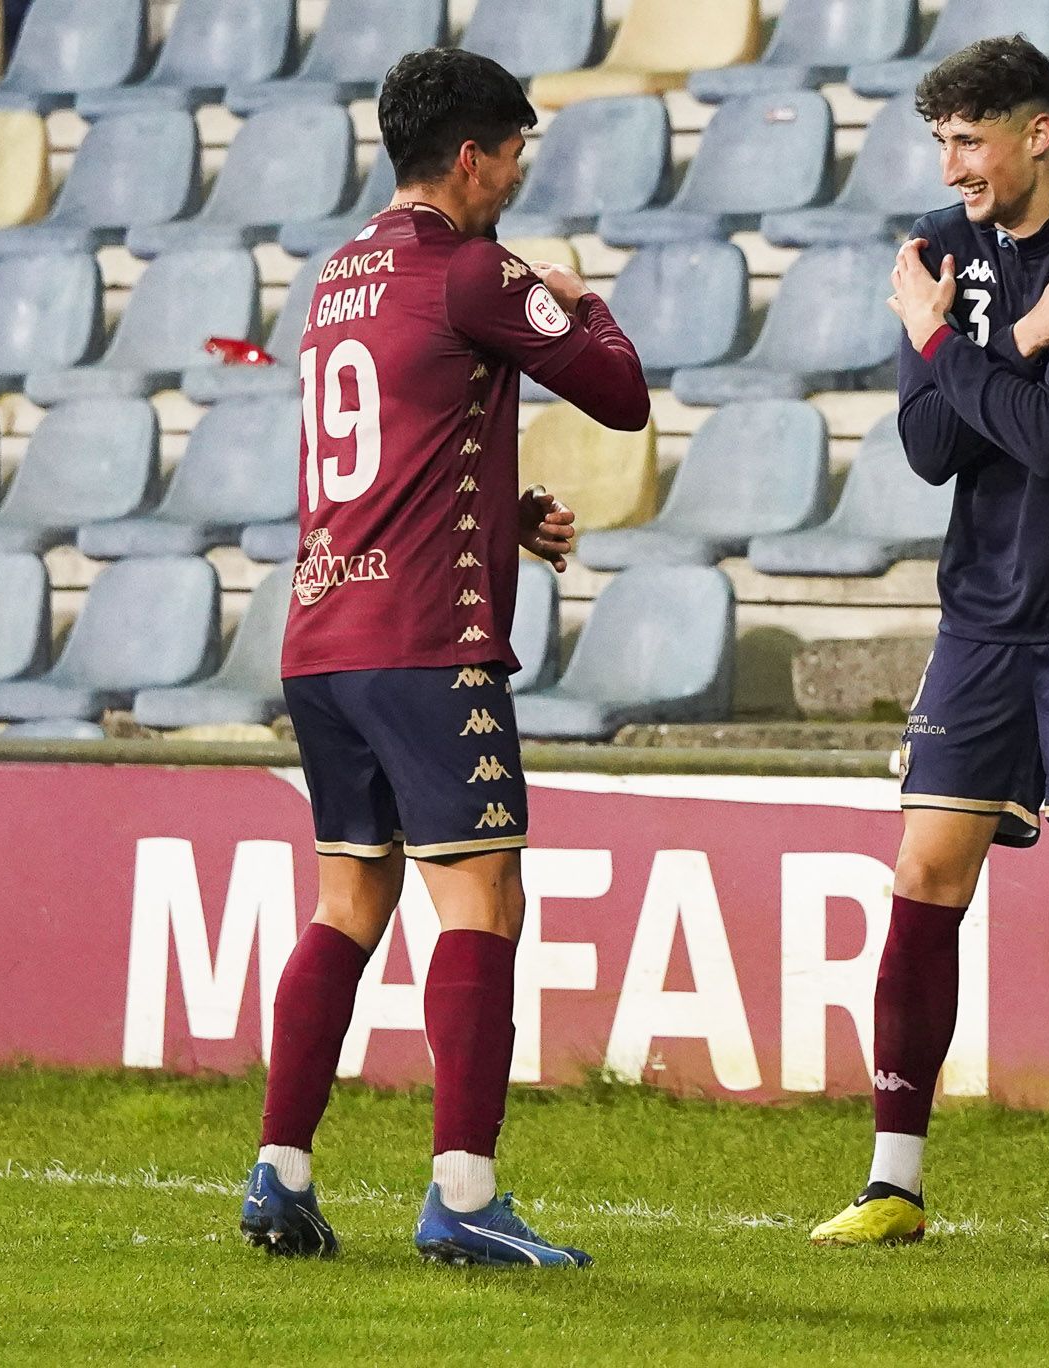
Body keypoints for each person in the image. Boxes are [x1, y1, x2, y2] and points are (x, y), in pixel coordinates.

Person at [239, 47, 648, 1268]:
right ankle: (463, 1194)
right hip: (426, 640)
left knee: (348, 898)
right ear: (469, 156)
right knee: (482, 897)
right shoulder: (476, 272)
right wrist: (582, 302)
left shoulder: (337, 277)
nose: (520, 172)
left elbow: (387, 435)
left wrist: (496, 509)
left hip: (322, 632)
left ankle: (281, 1174)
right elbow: (619, 395)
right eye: (515, 150)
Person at [809, 37, 1049, 1253]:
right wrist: (1010, 337)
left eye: (971, 139)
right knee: (923, 874)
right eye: (941, 142)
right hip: (982, 611)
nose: (952, 165)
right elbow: (930, 449)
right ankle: (892, 1183)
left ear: (1038, 130)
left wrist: (957, 347)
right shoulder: (938, 251)